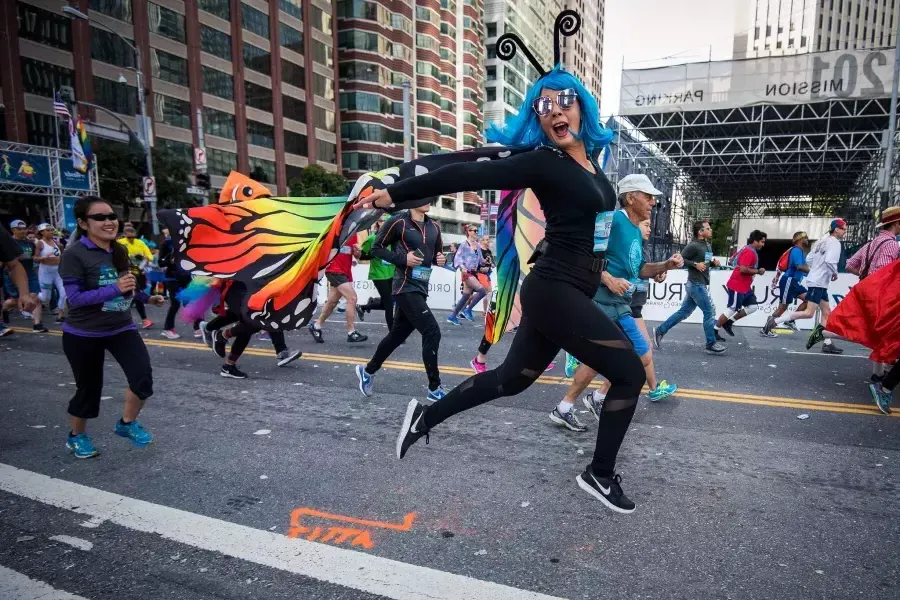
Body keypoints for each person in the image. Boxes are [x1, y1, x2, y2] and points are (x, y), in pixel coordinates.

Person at [356, 65, 652, 513]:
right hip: (555, 289)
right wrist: (397, 192)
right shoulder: (543, 162)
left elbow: (596, 231)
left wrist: (616, 268)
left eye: (562, 101)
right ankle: (600, 473)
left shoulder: (593, 167)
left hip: (572, 287)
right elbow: (462, 176)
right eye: (542, 105)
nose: (553, 110)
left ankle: (424, 416)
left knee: (512, 380)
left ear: (581, 108)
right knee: (629, 373)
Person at [556, 176, 681, 432]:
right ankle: (568, 406)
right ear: (631, 197)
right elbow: (582, 255)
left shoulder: (636, 230)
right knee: (601, 359)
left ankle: (591, 399)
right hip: (600, 301)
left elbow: (640, 268)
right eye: (648, 196)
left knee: (641, 355)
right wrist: (608, 278)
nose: (653, 202)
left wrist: (665, 265)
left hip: (622, 305)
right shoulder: (609, 221)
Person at [58, 196, 165, 458]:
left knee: (142, 379)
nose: (109, 222)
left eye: (111, 216)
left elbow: (126, 283)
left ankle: (126, 423)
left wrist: (146, 298)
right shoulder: (74, 255)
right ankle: (77, 436)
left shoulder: (119, 250)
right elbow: (75, 299)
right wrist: (113, 289)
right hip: (83, 333)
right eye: (100, 217)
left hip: (121, 328)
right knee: (89, 389)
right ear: (83, 223)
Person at [355, 204, 448, 400]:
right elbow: (376, 249)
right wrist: (402, 259)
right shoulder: (398, 221)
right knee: (432, 331)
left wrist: (440, 260)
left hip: (421, 287)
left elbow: (435, 256)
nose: (429, 200)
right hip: (404, 287)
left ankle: (368, 371)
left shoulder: (434, 227)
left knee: (397, 335)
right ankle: (434, 387)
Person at [809, 207, 900, 386]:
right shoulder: (891, 244)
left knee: (874, 332)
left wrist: (864, 278)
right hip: (879, 294)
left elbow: (850, 265)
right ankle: (826, 332)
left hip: (865, 291)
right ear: (896, 223)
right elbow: (882, 271)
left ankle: (878, 373)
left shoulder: (872, 242)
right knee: (879, 332)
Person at [761, 219, 846, 352]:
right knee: (808, 313)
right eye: (843, 229)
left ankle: (827, 343)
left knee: (826, 312)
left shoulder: (821, 241)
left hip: (816, 282)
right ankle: (775, 322)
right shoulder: (834, 243)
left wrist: (816, 269)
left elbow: (809, 259)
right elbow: (829, 261)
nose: (845, 232)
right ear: (836, 229)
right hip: (815, 282)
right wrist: (833, 273)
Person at [653, 220, 725, 352]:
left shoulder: (708, 245)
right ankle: (710, 344)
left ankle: (660, 330)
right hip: (696, 284)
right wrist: (695, 265)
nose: (711, 230)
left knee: (683, 313)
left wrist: (713, 263)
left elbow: (706, 262)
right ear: (700, 232)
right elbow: (679, 259)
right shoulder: (693, 245)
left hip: (699, 284)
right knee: (709, 312)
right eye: (708, 228)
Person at [308, 233, 368, 343]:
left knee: (332, 302)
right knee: (352, 298)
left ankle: (316, 326)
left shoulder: (353, 234)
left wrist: (357, 253)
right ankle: (351, 332)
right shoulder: (334, 231)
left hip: (345, 272)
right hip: (334, 270)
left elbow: (356, 256)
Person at [714, 230, 767, 340]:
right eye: (762, 242)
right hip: (738, 285)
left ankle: (728, 323)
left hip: (744, 286)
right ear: (755, 241)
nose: (763, 244)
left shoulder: (746, 248)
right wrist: (758, 271)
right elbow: (743, 269)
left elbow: (733, 261)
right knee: (732, 308)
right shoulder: (750, 252)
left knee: (752, 306)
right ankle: (714, 331)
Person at [2, 219, 47, 332]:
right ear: (12, 230)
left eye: (24, 228)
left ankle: (37, 325)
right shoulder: (7, 242)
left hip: (29, 273)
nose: (22, 231)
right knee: (14, 301)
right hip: (12, 275)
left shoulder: (29, 243)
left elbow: (33, 256)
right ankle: (4, 309)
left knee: (35, 298)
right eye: (19, 229)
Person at [357, 217, 396, 330]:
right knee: (389, 303)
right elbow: (362, 256)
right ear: (378, 223)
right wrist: (376, 254)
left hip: (392, 273)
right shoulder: (372, 238)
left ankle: (364, 307)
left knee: (388, 302)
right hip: (378, 274)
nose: (385, 224)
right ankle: (393, 333)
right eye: (382, 221)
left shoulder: (394, 240)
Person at [117, 223, 154, 329]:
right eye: (129, 237)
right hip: (126, 274)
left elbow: (150, 256)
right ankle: (143, 320)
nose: (132, 239)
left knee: (135, 296)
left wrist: (143, 257)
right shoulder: (119, 243)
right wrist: (130, 256)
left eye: (133, 237)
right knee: (134, 296)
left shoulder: (140, 243)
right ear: (124, 235)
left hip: (139, 273)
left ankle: (141, 320)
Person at [447, 225, 485, 324]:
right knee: (482, 291)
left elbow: (481, 260)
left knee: (465, 296)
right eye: (474, 230)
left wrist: (486, 261)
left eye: (477, 231)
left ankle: (452, 316)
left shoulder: (477, 245)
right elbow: (458, 258)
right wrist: (462, 267)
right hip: (467, 273)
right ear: (469, 232)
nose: (476, 232)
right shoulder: (464, 244)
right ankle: (467, 310)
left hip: (473, 272)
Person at [34, 223, 66, 324]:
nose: (51, 232)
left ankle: (60, 316)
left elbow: (61, 256)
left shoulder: (56, 242)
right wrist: (43, 258)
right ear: (42, 232)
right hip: (46, 272)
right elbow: (35, 258)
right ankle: (31, 297)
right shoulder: (40, 243)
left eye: (51, 230)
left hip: (57, 271)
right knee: (45, 297)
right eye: (48, 230)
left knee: (64, 293)